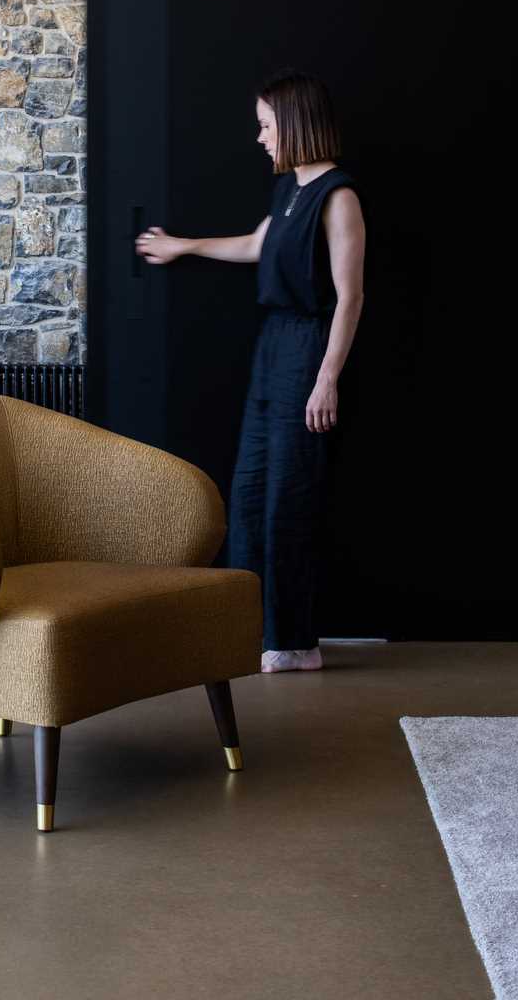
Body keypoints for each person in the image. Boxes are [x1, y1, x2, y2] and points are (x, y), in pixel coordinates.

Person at [135, 70, 365, 672]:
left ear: (294, 124)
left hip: (307, 349)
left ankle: (294, 643)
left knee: (289, 497)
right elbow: (257, 245)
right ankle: (251, 632)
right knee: (250, 491)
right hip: (271, 348)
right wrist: (183, 246)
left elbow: (350, 296)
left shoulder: (338, 196)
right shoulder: (288, 189)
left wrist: (327, 377)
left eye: (266, 126)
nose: (261, 138)